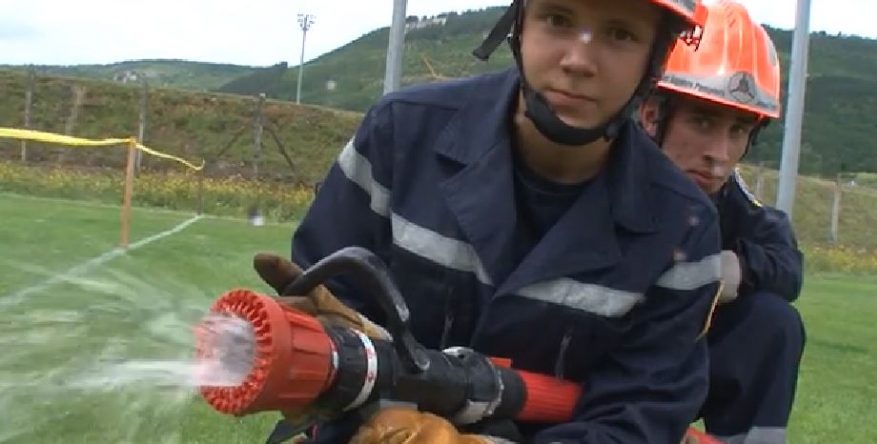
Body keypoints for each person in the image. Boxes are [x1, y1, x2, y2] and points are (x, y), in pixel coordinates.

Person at [255, 0, 722, 442]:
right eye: (558, 19)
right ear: (520, 22)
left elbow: (639, 416)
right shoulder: (399, 137)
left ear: (655, 58)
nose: (579, 61)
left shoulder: (682, 228)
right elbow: (324, 322)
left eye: (619, 34)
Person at [636, 1, 806, 442]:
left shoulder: (728, 196)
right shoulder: (599, 168)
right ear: (651, 114)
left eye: (738, 131)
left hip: (668, 363)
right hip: (582, 358)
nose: (720, 153)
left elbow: (787, 262)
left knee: (773, 321)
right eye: (703, 121)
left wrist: (739, 268)